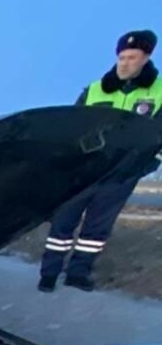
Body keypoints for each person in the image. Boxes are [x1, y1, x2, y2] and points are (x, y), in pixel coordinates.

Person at [39, 29, 162, 292]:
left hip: (121, 173)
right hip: (85, 169)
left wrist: (149, 162)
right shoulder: (95, 90)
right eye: (122, 57)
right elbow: (73, 128)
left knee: (97, 228)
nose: (125, 63)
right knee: (63, 220)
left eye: (132, 57)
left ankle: (78, 273)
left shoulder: (160, 92)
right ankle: (49, 274)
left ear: (146, 57)